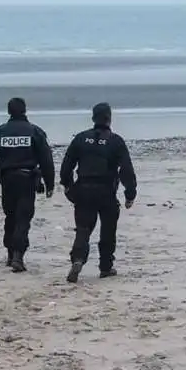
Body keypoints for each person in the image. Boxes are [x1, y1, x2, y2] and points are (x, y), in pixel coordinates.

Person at [60, 102, 137, 283]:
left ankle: (78, 259)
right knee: (108, 230)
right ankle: (106, 266)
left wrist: (69, 187)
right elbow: (126, 169)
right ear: (109, 118)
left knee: (83, 228)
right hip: (106, 191)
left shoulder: (80, 139)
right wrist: (130, 193)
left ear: (93, 118)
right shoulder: (115, 141)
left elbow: (66, 166)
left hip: (84, 189)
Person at [0, 97, 55, 272]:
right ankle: (18, 255)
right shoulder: (34, 131)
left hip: (7, 179)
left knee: (10, 216)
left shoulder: (0, 132)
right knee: (23, 218)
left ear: (9, 112)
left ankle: (10, 253)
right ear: (24, 111)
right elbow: (46, 159)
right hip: (27, 179)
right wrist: (50, 183)